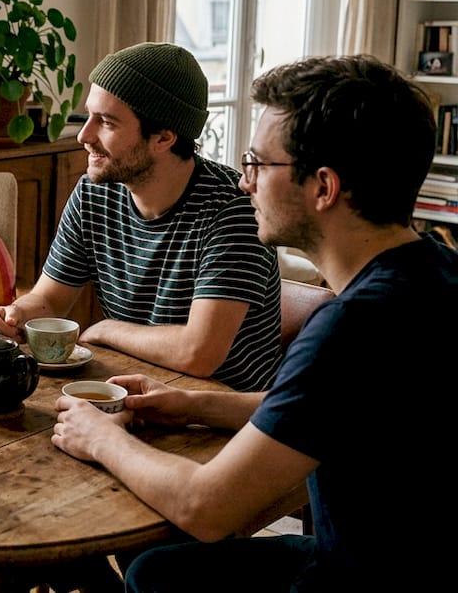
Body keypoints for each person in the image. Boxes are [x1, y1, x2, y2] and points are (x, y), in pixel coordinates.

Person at [52, 55, 457, 591]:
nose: (245, 184)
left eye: (257, 164)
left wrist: (101, 438)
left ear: (324, 187)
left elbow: (205, 507)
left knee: (159, 572)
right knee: (155, 571)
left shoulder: (351, 328)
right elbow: (339, 407)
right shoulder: (436, 271)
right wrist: (198, 405)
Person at [0, 42, 282, 393]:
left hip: (220, 417)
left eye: (106, 122)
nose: (83, 135)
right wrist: (12, 316)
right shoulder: (95, 192)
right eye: (89, 115)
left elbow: (199, 353)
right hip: (132, 393)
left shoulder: (235, 209)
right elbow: (49, 300)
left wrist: (107, 329)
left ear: (163, 137)